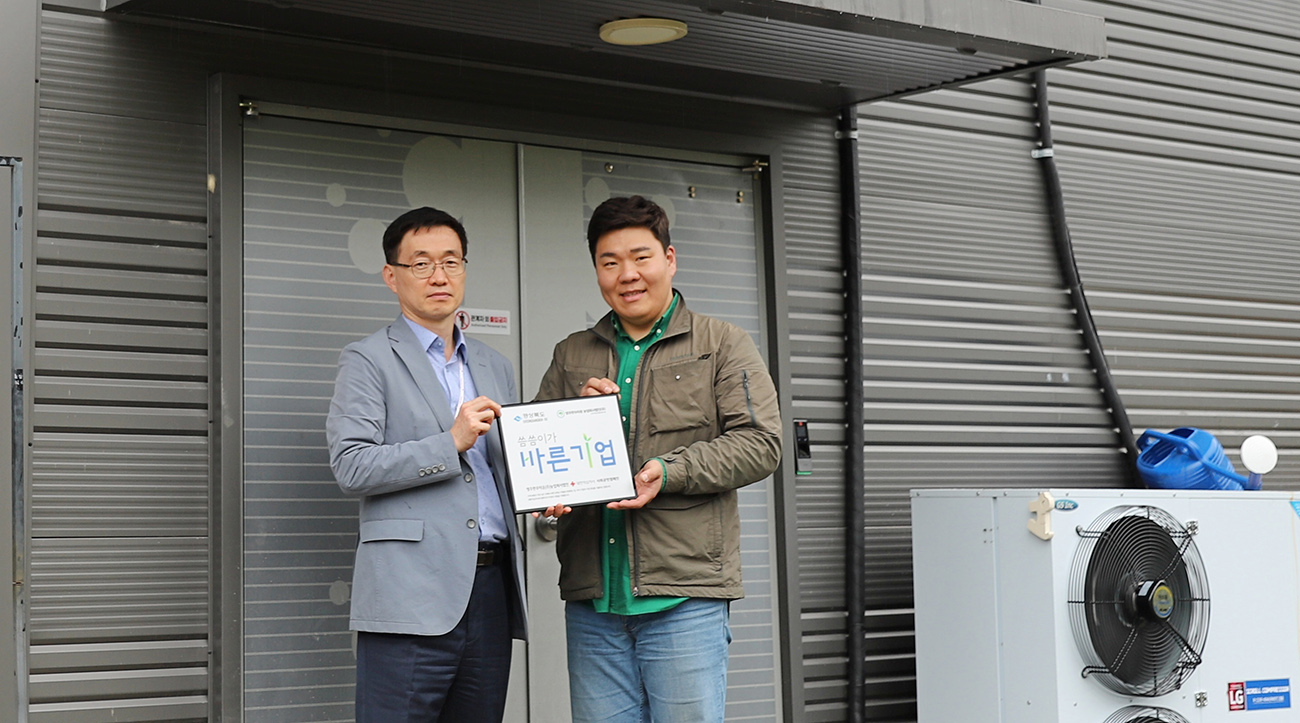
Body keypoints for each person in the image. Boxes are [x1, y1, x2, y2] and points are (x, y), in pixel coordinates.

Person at [535, 195, 782, 722]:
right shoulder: (571, 354)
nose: (627, 274)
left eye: (640, 257)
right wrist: (555, 479)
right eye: (609, 262)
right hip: (595, 602)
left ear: (669, 258)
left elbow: (761, 442)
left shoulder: (722, 343)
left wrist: (669, 472)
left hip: (683, 601)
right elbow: (536, 450)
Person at [326, 206, 526, 723]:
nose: (439, 276)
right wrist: (450, 442)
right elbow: (352, 465)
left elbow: (502, 469)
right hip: (409, 593)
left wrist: (546, 496)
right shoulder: (368, 359)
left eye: (451, 262)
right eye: (421, 264)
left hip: (490, 588)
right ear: (392, 276)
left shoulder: (494, 365)